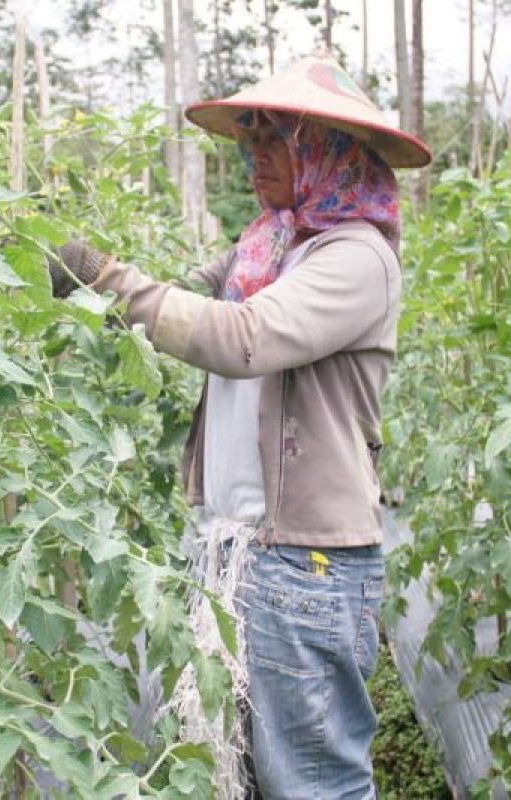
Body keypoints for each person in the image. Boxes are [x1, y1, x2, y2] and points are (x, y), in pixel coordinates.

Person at [49, 56, 432, 799]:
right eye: (247, 141)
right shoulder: (268, 246)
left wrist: (108, 279)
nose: (253, 158)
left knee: (313, 784)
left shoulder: (355, 259)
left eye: (274, 140)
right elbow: (186, 300)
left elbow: (238, 337)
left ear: (328, 150)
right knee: (249, 777)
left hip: (305, 566)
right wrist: (75, 288)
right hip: (240, 552)